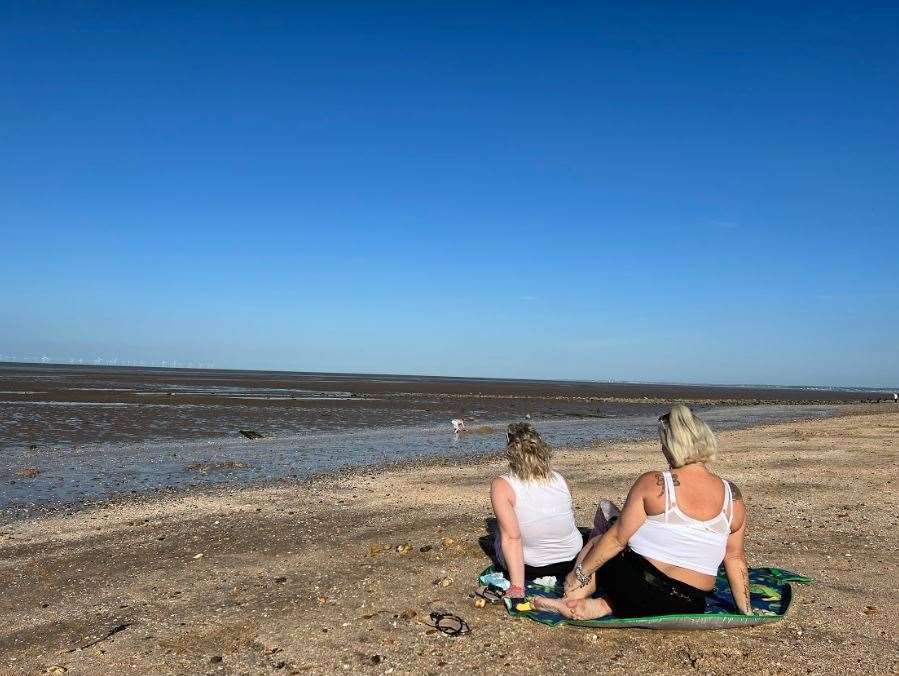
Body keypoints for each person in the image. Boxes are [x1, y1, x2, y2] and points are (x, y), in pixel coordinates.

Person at [534, 404, 752, 619]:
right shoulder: (732, 496)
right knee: (646, 586)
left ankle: (570, 600)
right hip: (688, 604)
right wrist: (746, 611)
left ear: (671, 446)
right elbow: (734, 558)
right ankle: (601, 606)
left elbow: (617, 539)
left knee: (599, 541)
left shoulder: (654, 482)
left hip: (636, 591)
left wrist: (578, 573)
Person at [491, 423, 584, 601]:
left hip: (533, 567)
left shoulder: (503, 484)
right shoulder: (559, 478)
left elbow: (512, 538)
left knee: (502, 531)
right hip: (572, 560)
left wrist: (517, 587)